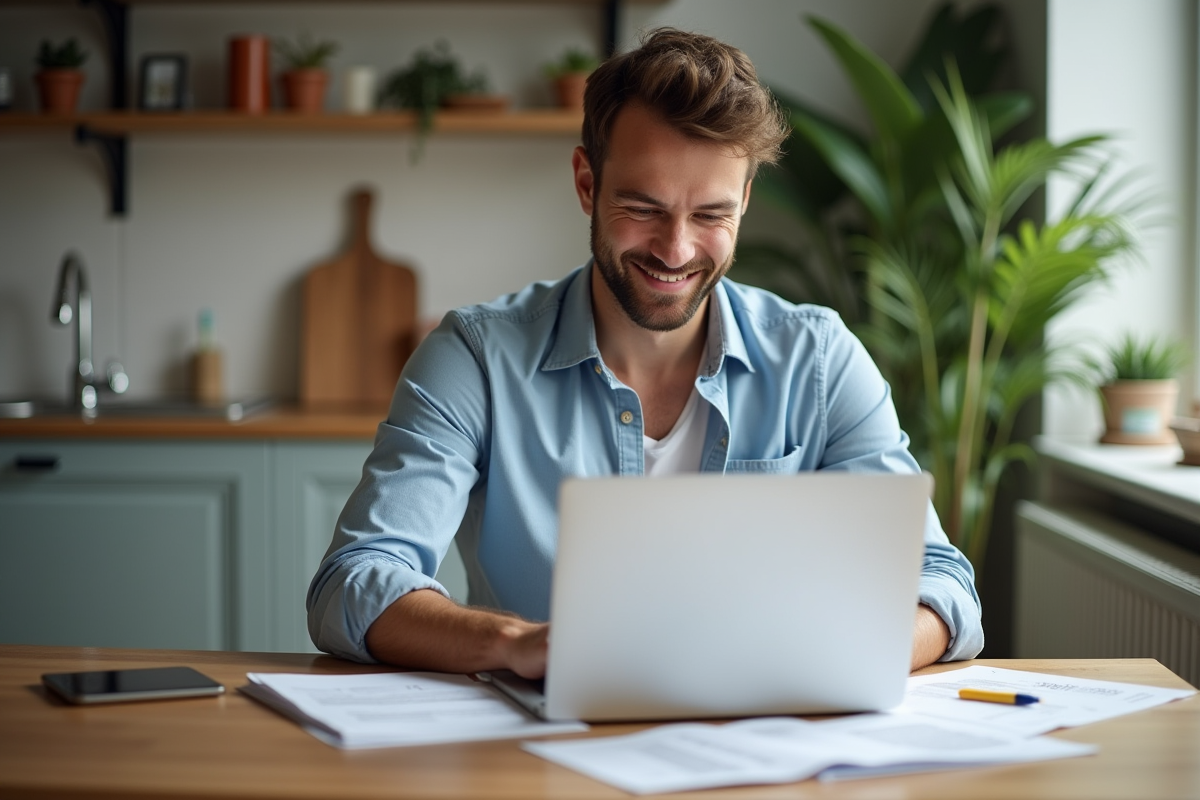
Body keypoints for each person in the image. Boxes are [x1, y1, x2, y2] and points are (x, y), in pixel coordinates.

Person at [307, 28, 984, 677]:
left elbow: (942, 583)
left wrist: (841, 654)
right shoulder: (476, 359)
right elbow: (355, 582)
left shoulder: (819, 360)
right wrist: (522, 644)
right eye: (644, 207)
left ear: (746, 201)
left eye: (711, 215)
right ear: (585, 184)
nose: (677, 250)